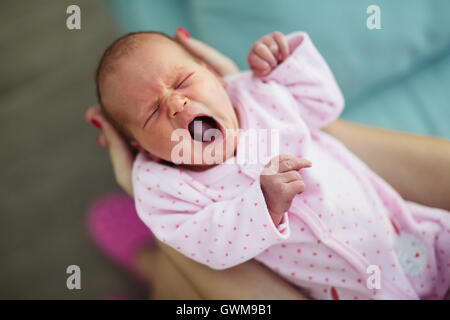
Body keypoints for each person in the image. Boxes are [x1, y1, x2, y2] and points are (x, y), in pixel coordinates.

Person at [85, 28, 450, 300]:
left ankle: (152, 272)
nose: (175, 104)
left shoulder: (259, 97)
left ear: (214, 75)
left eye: (182, 81)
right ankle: (154, 268)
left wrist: (287, 63)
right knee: (179, 273)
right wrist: (262, 206)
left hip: (418, 239)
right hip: (349, 290)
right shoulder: (165, 187)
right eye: (152, 113)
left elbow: (323, 105)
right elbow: (207, 244)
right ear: (142, 147)